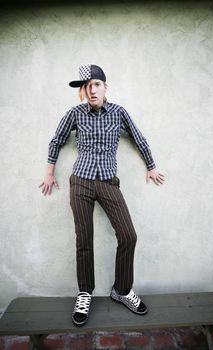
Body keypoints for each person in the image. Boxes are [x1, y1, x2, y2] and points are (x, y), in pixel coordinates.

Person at [39, 64, 165, 326]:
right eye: (87, 86)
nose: (92, 90)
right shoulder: (74, 114)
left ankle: (121, 290)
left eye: (96, 84)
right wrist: (49, 172)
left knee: (128, 235)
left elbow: (138, 138)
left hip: (108, 182)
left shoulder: (119, 113)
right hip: (81, 182)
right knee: (84, 240)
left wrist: (151, 166)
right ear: (83, 92)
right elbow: (56, 140)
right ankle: (85, 292)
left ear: (105, 87)